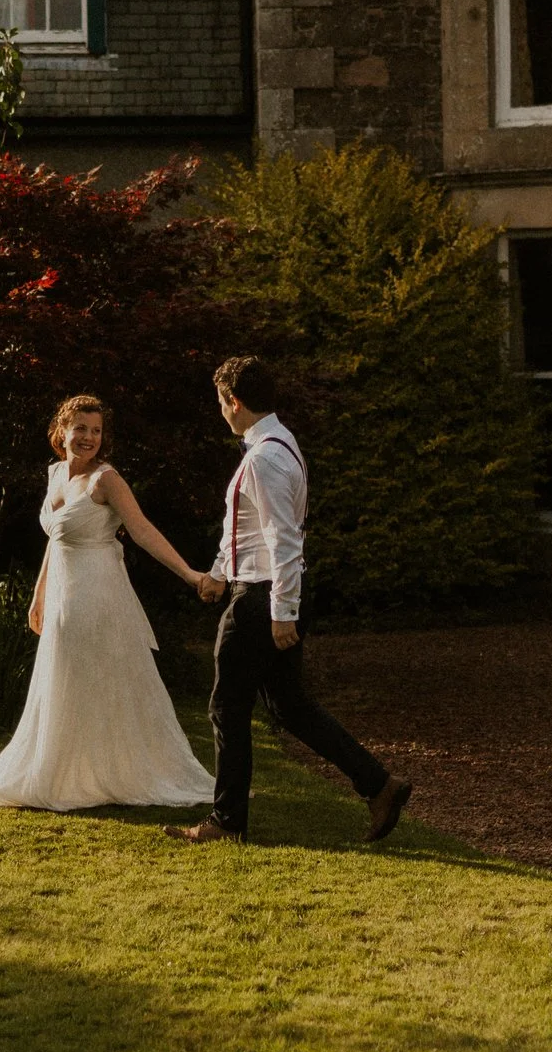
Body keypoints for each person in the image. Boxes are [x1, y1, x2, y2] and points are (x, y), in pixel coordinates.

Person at [167, 356, 411, 846]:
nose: (222, 412)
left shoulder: (264, 457)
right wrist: (217, 574)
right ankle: (379, 785)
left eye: (221, 403)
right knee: (290, 706)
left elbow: (283, 540)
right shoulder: (279, 445)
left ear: (234, 400)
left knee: (226, 708)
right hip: (261, 590)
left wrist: (283, 611)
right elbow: (248, 529)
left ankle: (226, 822)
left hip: (261, 600)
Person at [0, 396, 219, 812]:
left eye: (96, 431)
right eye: (81, 428)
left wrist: (191, 574)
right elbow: (56, 540)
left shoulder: (106, 479)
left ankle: (109, 773)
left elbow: (142, 530)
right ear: (62, 430)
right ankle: (65, 771)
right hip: (61, 597)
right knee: (65, 679)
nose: (88, 437)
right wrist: (39, 594)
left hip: (98, 594)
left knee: (100, 679)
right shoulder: (55, 474)